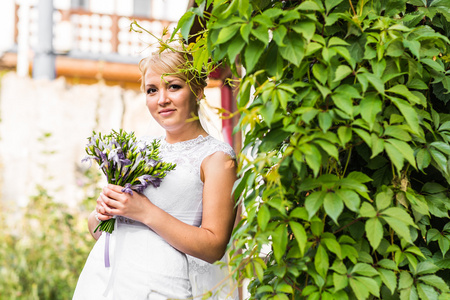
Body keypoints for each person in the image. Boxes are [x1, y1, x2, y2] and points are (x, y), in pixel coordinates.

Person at [73, 44, 238, 299]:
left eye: (173, 86)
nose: (162, 99)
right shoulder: (137, 149)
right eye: (152, 90)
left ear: (197, 90)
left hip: (161, 286)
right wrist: (103, 212)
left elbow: (214, 246)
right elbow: (98, 231)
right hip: (105, 280)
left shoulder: (216, 158)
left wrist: (145, 212)